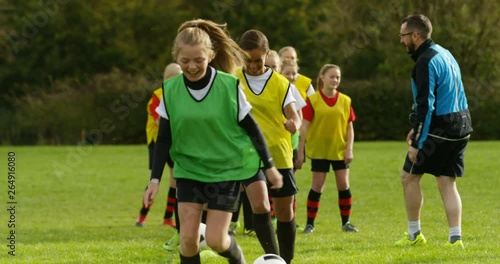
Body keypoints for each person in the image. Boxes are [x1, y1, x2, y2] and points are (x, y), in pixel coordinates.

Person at [143, 19, 283, 264]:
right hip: (189, 170)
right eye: (184, 61)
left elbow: (252, 128)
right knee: (187, 240)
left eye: (199, 60)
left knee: (217, 241)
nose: (192, 66)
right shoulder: (170, 89)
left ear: (210, 55)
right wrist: (154, 180)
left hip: (225, 170)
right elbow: (163, 138)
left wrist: (269, 166)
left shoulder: (228, 86)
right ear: (176, 57)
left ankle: (237, 257)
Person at [394, 14, 472, 248]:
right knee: (447, 182)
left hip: (441, 128)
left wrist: (417, 142)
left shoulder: (425, 61)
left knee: (409, 177)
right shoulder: (444, 53)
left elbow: (427, 105)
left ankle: (414, 235)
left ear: (415, 35)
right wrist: (415, 127)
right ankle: (455, 239)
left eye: (403, 36)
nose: (401, 41)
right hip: (463, 124)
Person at [236, 29, 301, 264]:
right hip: (247, 155)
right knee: (261, 205)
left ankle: (286, 260)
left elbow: (295, 116)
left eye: (258, 60)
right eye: (247, 60)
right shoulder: (233, 80)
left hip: (279, 154)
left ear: (266, 55)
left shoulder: (281, 83)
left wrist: (293, 124)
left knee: (285, 213)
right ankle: (274, 260)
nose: (253, 65)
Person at [296, 64, 358, 234]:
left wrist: (349, 149)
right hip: (319, 150)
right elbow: (304, 127)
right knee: (317, 185)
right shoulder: (313, 100)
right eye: (331, 76)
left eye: (337, 77)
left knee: (344, 185)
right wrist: (300, 150)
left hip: (339, 149)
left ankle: (346, 223)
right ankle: (310, 224)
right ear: (322, 77)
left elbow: (349, 127)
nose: (335, 80)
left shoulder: (345, 100)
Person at [136, 63, 182, 228]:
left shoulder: (182, 95)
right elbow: (159, 121)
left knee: (175, 180)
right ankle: (142, 216)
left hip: (175, 143)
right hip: (158, 143)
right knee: (155, 180)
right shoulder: (158, 96)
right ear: (167, 79)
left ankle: (168, 217)